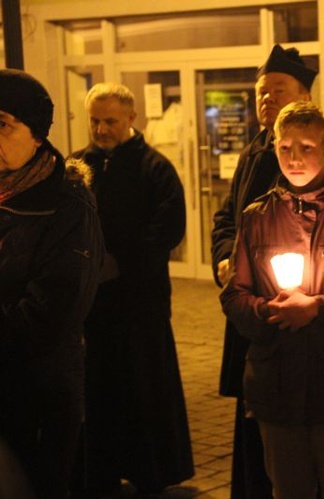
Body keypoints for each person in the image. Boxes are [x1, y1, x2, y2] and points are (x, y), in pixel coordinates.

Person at [220, 101, 324, 499]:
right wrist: (271, 312)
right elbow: (234, 296)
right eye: (285, 148)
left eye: (306, 148)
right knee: (287, 488)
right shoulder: (257, 217)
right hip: (275, 381)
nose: (294, 159)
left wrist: (318, 308)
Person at [211, 44, 324, 499]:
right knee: (257, 421)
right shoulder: (256, 150)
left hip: (309, 313)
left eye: (278, 90)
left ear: (304, 96)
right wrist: (225, 255)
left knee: (320, 445)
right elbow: (227, 218)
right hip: (255, 311)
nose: (266, 99)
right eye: (260, 92)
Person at [70, 82, 194, 495]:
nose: (101, 129)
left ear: (131, 119)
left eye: (110, 121)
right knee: (98, 387)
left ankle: (149, 471)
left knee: (145, 385)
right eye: (95, 120)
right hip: (94, 304)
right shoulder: (75, 167)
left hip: (140, 301)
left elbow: (169, 228)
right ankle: (99, 471)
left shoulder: (155, 168)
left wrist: (121, 262)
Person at [0, 69, 103, 499]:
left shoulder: (66, 204)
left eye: (3, 125)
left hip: (38, 394)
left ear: (37, 135)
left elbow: (51, 313)